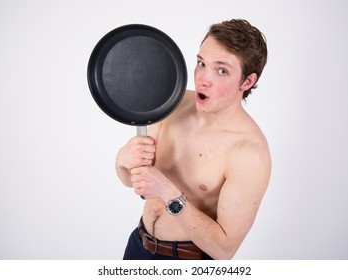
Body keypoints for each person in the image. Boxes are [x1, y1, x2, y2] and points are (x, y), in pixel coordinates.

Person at [116, 19, 271, 260]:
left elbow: (224, 249)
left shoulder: (249, 152)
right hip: (139, 246)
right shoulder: (172, 105)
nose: (203, 79)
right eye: (201, 63)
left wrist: (167, 191)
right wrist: (122, 162)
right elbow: (139, 186)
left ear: (247, 81)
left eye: (221, 70)